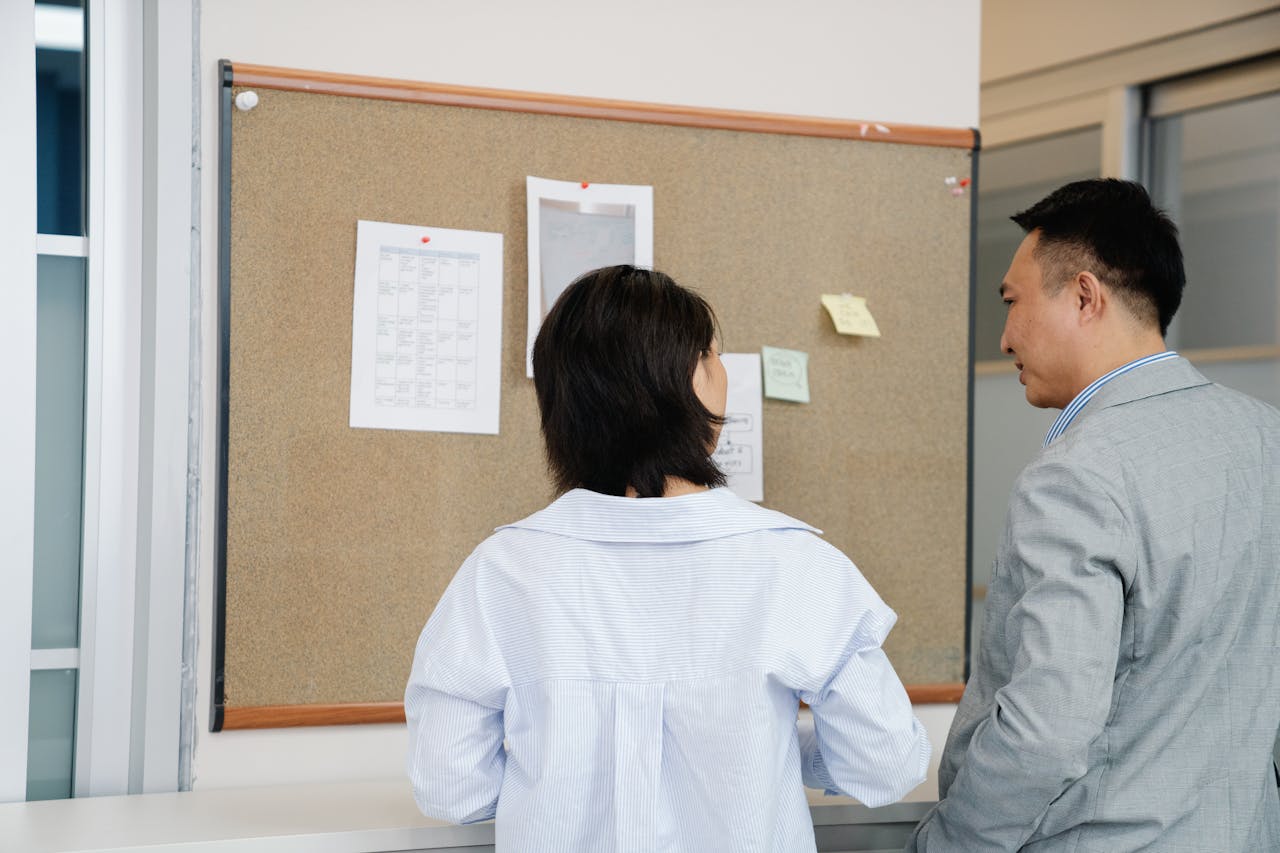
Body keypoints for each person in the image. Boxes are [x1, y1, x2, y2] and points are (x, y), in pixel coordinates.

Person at [405, 265, 930, 852]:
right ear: (691, 381)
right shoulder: (797, 567)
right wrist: (786, 749)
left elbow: (452, 789)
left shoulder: (501, 571)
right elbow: (883, 764)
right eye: (713, 355)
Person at [907, 179, 1280, 851]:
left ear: (1085, 295)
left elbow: (1045, 730)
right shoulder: (1266, 440)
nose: (1004, 336)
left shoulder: (1078, 474)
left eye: (1012, 303)